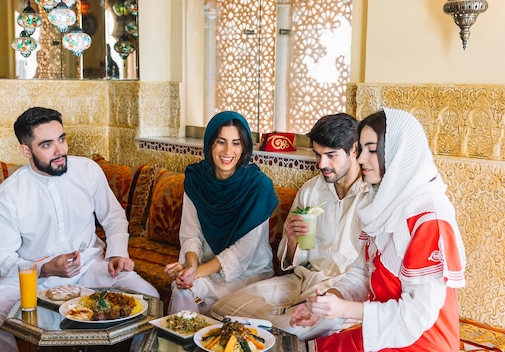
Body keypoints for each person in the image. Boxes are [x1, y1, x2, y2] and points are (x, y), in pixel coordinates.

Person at [0, 107, 159, 352]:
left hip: (90, 267)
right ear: (26, 150)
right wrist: (45, 268)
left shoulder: (88, 170)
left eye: (62, 139)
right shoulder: (9, 194)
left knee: (150, 297)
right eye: (47, 145)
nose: (60, 150)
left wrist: (117, 254)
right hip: (33, 278)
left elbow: (114, 217)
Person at [292, 107, 466, 351]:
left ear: (399, 152)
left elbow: (416, 317)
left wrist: (345, 310)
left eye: (372, 150)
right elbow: (363, 274)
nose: (361, 158)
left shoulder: (428, 218)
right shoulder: (383, 206)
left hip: (419, 342)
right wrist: (328, 301)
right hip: (384, 333)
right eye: (361, 149)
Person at [210, 113, 369, 340]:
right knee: (223, 308)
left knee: (287, 329)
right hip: (302, 280)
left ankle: (277, 324)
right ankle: (275, 321)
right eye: (318, 154)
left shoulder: (371, 196)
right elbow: (292, 261)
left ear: (354, 150)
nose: (321, 164)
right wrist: (292, 239)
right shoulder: (311, 190)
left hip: (341, 293)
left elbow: (368, 271)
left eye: (331, 155)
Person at [163, 111, 278, 315]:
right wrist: (190, 266)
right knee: (182, 289)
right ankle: (179, 344)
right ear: (210, 144)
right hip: (206, 266)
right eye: (221, 141)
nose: (228, 151)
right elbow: (191, 234)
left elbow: (242, 253)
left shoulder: (258, 188)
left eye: (236, 143)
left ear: (244, 147)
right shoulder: (197, 179)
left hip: (249, 272)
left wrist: (195, 273)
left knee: (197, 292)